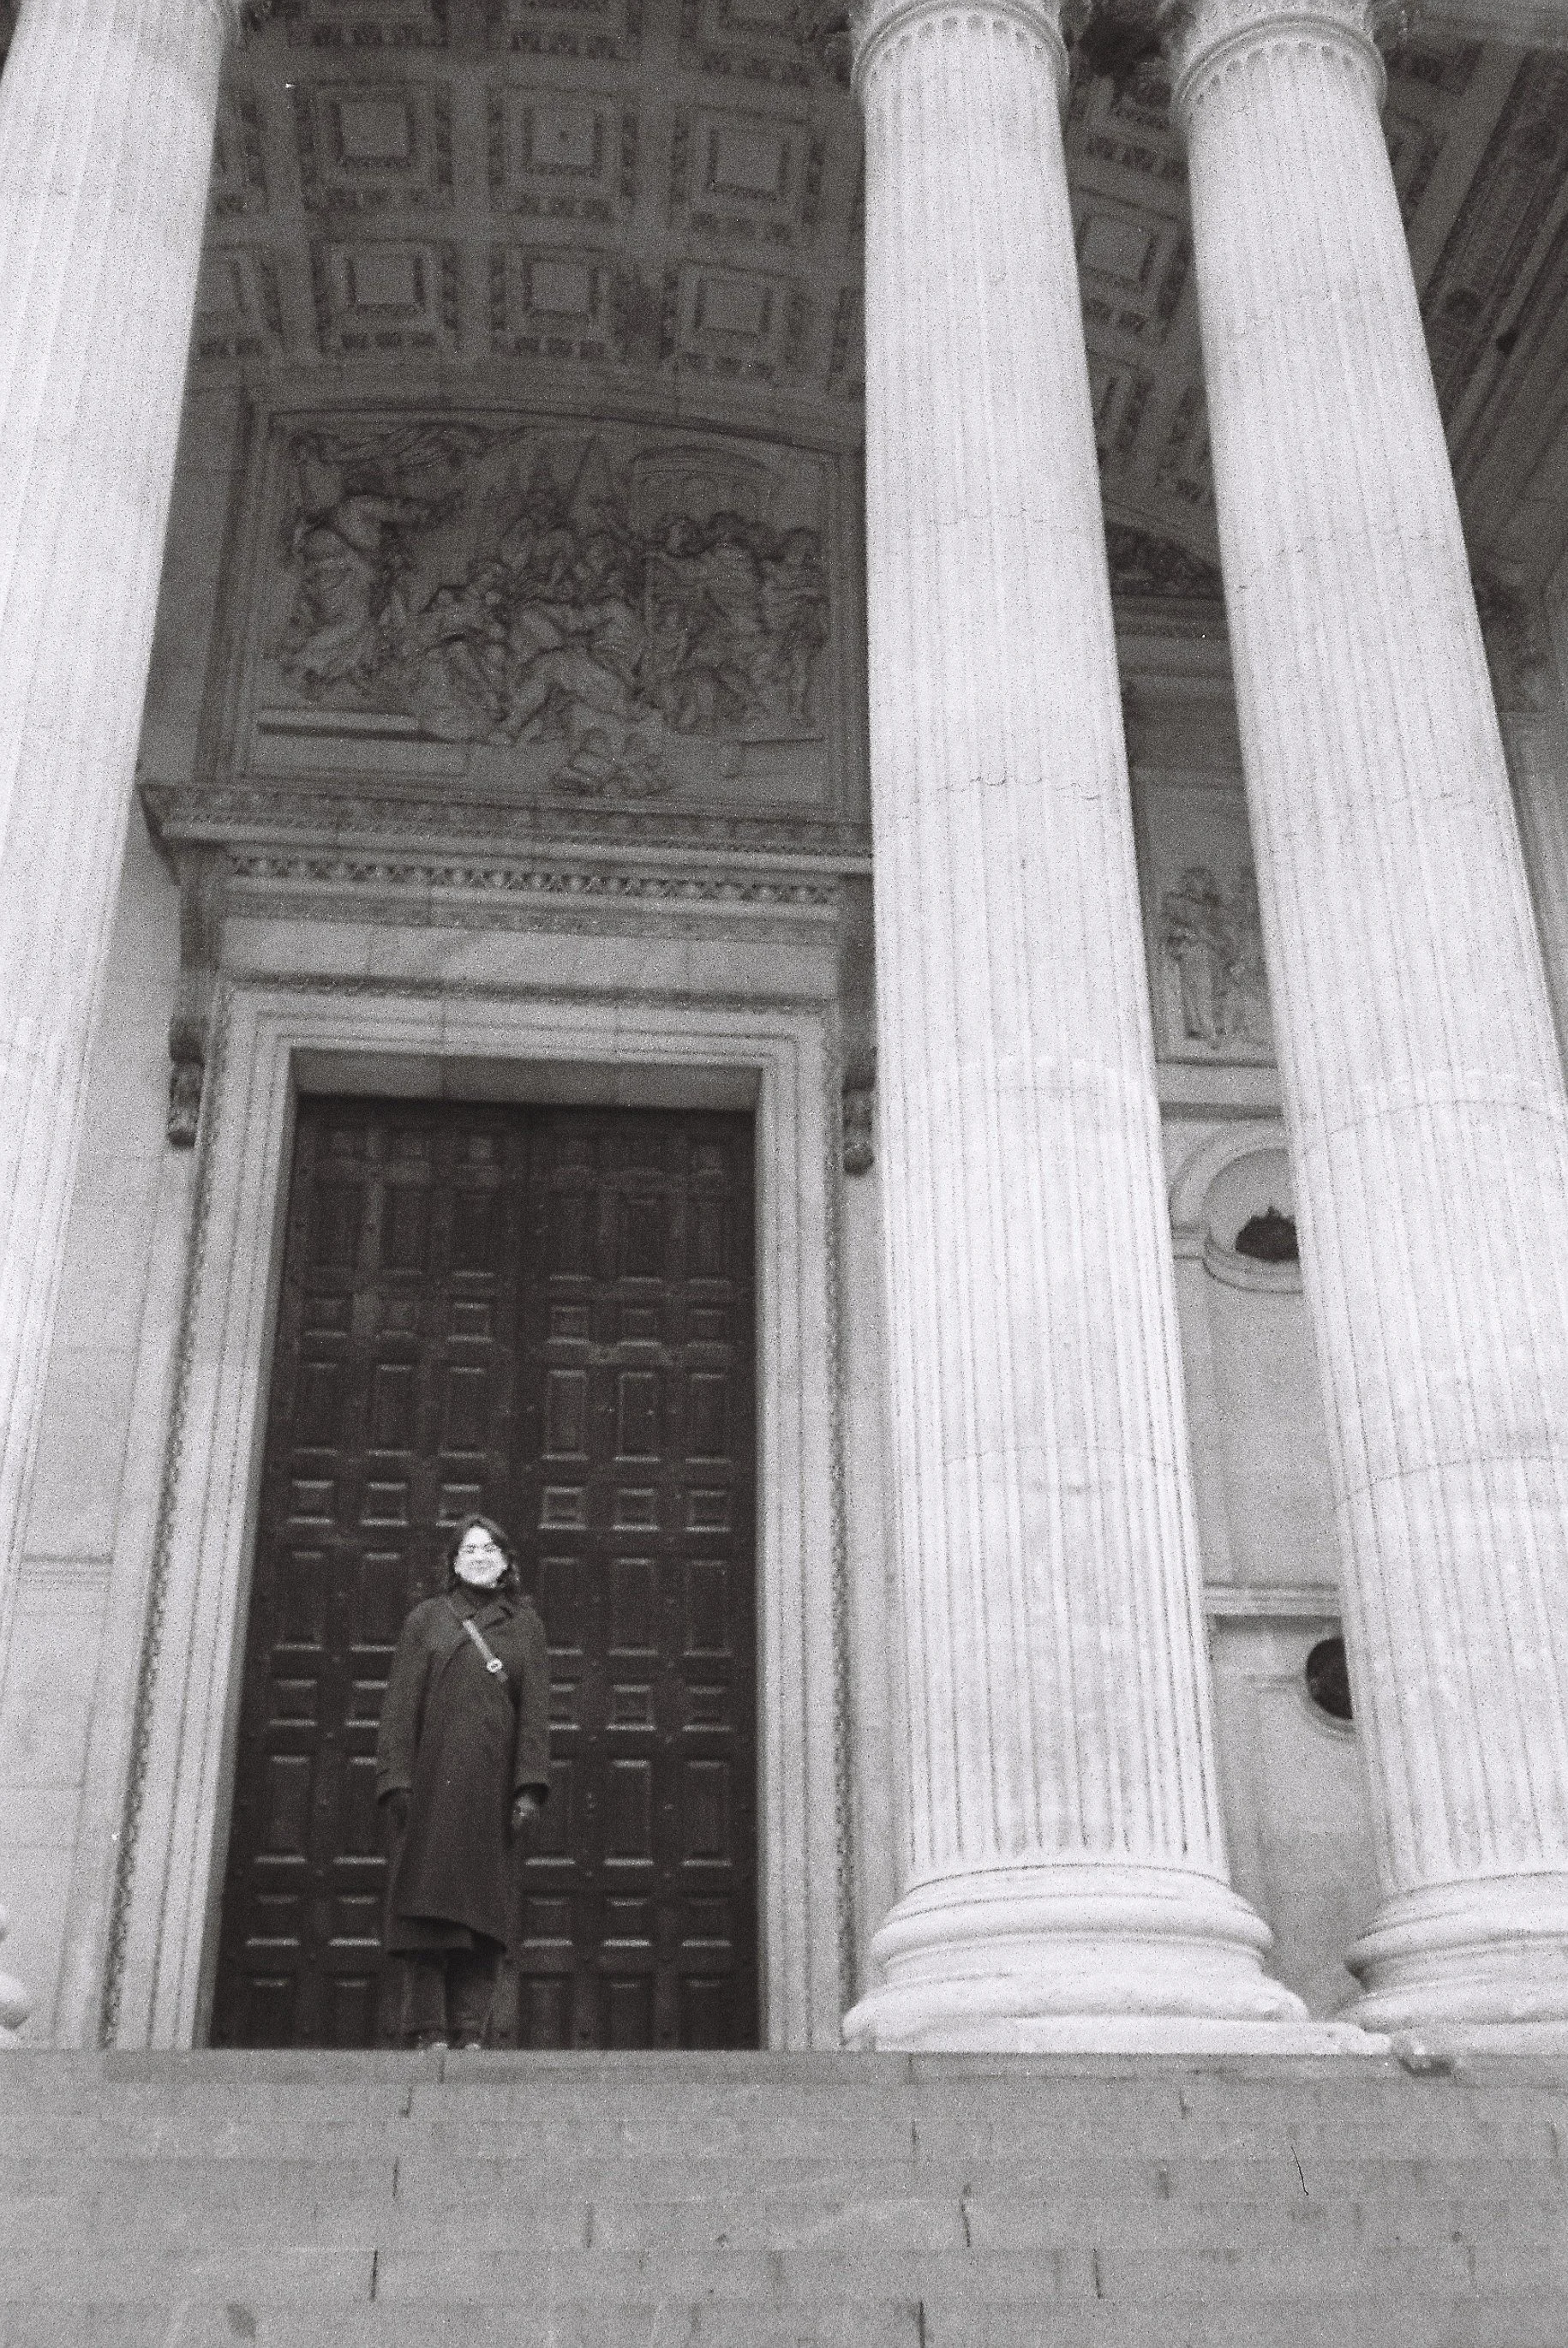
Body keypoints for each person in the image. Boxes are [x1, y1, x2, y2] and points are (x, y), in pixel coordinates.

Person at [374, 1514, 550, 2050]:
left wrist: (528, 1787)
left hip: (490, 1793)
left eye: (488, 1548)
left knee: (482, 1916)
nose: (478, 1556)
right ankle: (428, 2028)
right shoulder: (427, 1619)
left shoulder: (524, 1624)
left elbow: (536, 1712)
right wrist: (396, 1778)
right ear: (453, 1561)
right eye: (468, 1549)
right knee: (428, 1914)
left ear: (505, 1560)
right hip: (430, 1789)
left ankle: (473, 2028)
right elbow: (400, 1704)